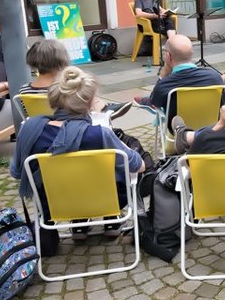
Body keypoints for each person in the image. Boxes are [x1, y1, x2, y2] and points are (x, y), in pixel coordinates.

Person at [11, 66, 145, 243]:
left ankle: (79, 223)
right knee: (120, 169)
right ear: (89, 102)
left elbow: (16, 173)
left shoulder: (30, 130)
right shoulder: (99, 134)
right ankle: (110, 220)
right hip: (102, 200)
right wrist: (114, 137)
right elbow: (139, 165)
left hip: (54, 204)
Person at [137, 33, 224, 112]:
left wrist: (163, 74)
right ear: (192, 53)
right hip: (211, 126)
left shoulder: (165, 84)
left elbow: (155, 102)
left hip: (178, 128)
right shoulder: (214, 77)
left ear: (168, 56)